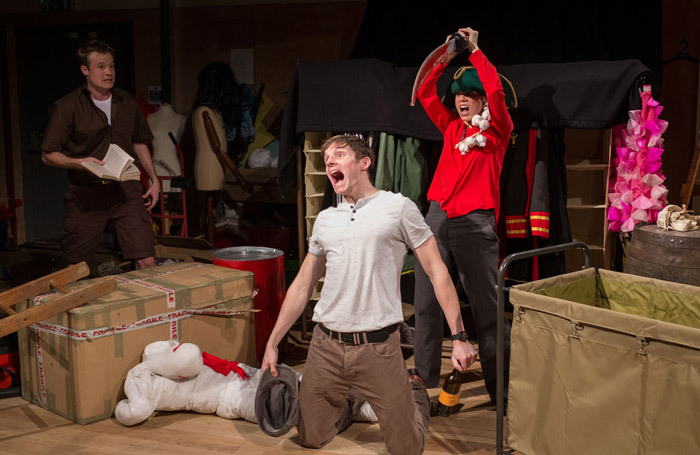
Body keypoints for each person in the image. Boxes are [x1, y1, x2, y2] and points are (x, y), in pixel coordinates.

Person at [261, 135, 477, 455]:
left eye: (340, 154)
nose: (329, 161)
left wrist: (459, 335)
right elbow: (303, 285)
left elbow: (436, 271)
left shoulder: (398, 207)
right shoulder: (326, 220)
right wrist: (273, 342)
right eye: (326, 158)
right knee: (311, 436)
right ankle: (351, 398)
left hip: (377, 348)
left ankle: (414, 388)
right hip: (326, 347)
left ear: (365, 164)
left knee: (406, 449)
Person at [413, 27, 517, 405]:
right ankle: (422, 387)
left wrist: (474, 51)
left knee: (487, 311)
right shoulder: (451, 128)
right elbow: (424, 92)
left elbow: (497, 92)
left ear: (481, 101)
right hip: (436, 219)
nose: (461, 101)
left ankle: (501, 395)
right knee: (426, 305)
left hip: (475, 223)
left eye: (470, 96)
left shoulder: (498, 132)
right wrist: (445, 54)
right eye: (458, 96)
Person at [41, 39, 159, 270]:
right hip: (87, 192)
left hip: (125, 190)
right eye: (101, 66)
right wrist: (79, 163)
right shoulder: (68, 107)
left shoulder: (127, 103)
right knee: (75, 266)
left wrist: (154, 180)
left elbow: (139, 142)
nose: (108, 72)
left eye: (112, 66)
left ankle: (150, 304)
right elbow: (48, 154)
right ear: (85, 70)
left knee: (146, 258)